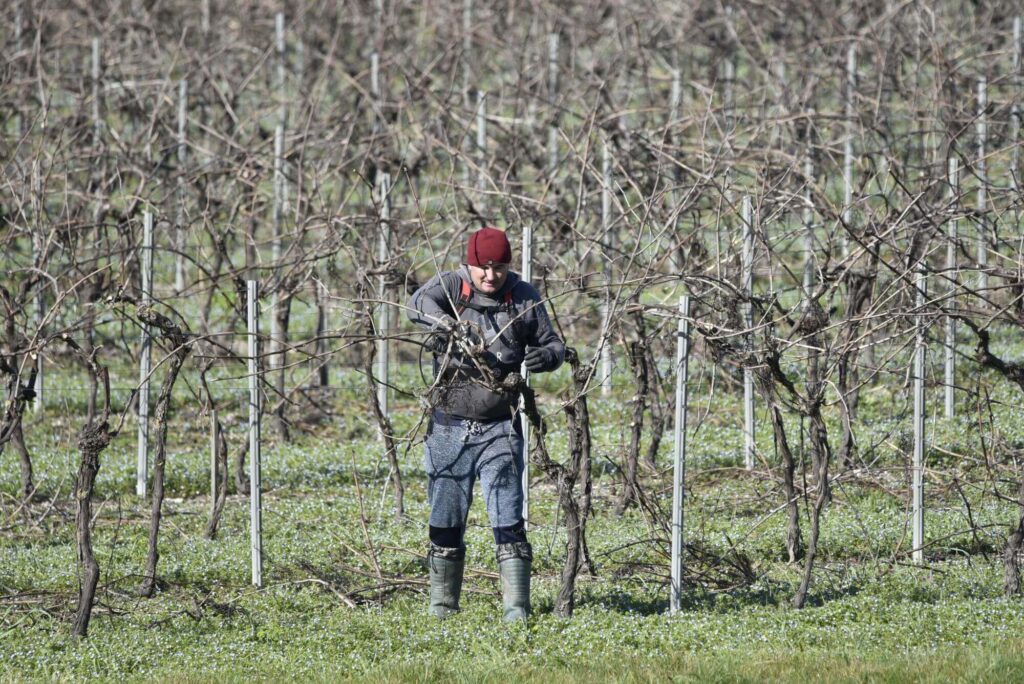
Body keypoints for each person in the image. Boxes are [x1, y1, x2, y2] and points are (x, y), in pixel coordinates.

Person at [407, 226, 565, 621]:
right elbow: (416, 304)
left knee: (508, 515)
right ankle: (442, 607)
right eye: (482, 267)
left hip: (501, 426)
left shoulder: (524, 296)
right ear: (469, 264)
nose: (490, 276)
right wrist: (449, 326)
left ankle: (517, 610)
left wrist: (549, 357)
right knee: (444, 517)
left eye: (498, 268)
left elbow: (554, 343)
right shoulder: (451, 286)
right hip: (448, 424)